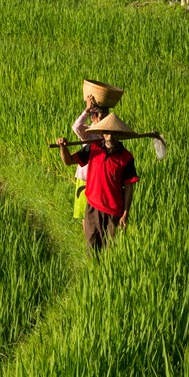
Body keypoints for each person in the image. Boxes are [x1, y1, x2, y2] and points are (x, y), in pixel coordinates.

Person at [58, 112, 139, 254]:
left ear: (119, 134)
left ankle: (105, 275)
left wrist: (126, 212)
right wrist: (63, 148)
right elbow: (68, 161)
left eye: (114, 133)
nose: (110, 136)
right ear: (102, 132)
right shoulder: (93, 148)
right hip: (92, 208)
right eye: (107, 132)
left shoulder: (126, 157)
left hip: (113, 213)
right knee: (92, 248)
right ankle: (92, 273)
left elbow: (128, 186)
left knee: (109, 252)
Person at [71, 80, 122, 220]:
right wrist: (87, 110)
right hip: (86, 176)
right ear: (93, 117)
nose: (105, 120)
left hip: (100, 177)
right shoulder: (87, 131)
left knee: (96, 210)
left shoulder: (107, 133)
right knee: (84, 212)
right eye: (101, 117)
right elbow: (75, 127)